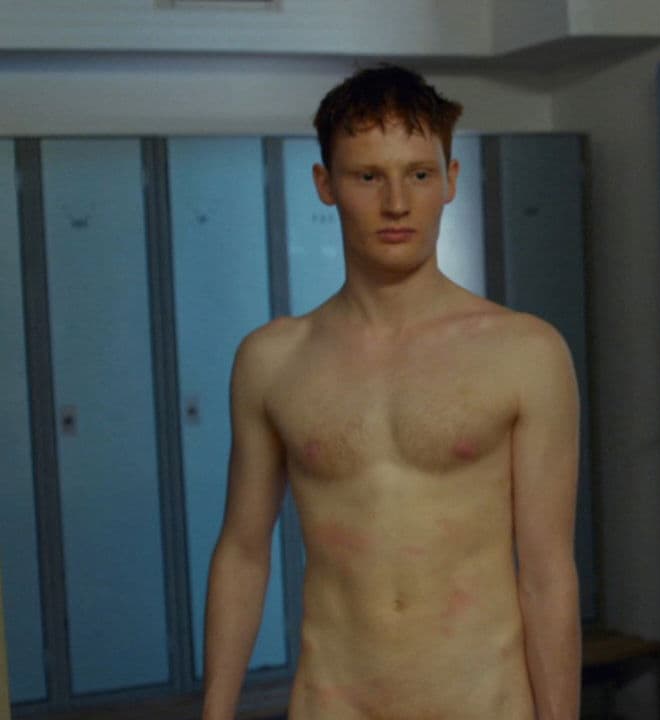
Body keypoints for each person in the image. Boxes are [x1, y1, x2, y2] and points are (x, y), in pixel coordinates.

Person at [201, 65, 581, 720]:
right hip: (334, 703)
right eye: (368, 176)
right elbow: (242, 552)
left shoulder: (525, 352)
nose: (397, 202)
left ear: (451, 180)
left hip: (482, 703)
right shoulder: (272, 360)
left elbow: (547, 575)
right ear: (326, 185)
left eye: (419, 174)